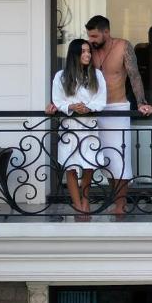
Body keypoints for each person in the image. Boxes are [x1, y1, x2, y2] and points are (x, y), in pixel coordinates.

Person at [85, 15, 152, 217]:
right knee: (104, 159)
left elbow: (134, 75)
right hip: (93, 110)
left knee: (120, 159)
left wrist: (141, 102)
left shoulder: (123, 46)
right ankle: (113, 198)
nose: (91, 40)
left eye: (95, 36)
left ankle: (120, 204)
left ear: (106, 32)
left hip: (117, 108)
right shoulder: (89, 50)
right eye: (89, 36)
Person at [50, 39, 106, 220]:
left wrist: (88, 108)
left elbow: (101, 99)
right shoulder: (61, 76)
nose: (87, 54)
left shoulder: (96, 75)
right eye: (83, 51)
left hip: (89, 126)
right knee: (71, 166)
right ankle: (78, 205)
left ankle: (85, 199)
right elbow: (58, 100)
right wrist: (73, 106)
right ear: (74, 54)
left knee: (89, 165)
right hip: (70, 128)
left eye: (89, 51)